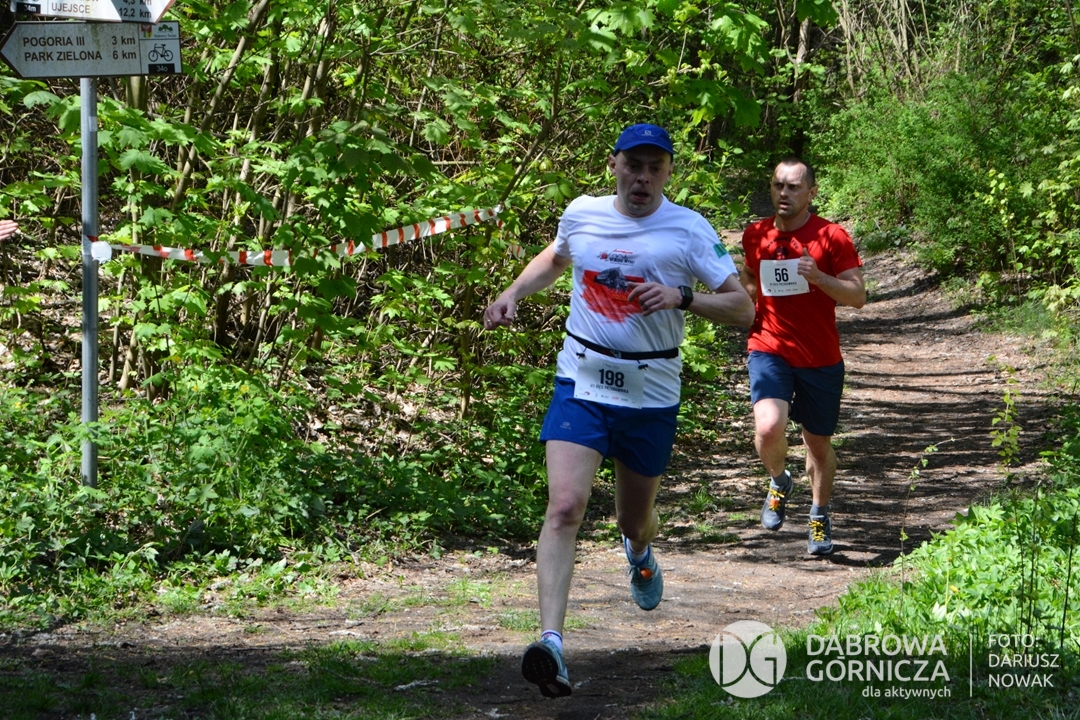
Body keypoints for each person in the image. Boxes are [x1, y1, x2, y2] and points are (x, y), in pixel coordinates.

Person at [483, 123, 754, 698]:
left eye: (655, 167)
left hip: (650, 392)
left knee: (633, 519)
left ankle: (639, 548)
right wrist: (513, 292)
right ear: (615, 164)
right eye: (634, 165)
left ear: (669, 172)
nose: (643, 177)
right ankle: (551, 644)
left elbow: (743, 308)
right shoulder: (582, 213)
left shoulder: (688, 229)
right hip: (581, 380)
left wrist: (684, 297)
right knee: (565, 506)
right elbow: (557, 257)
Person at [739, 157, 865, 556]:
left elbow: (858, 296)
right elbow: (750, 279)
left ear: (811, 193)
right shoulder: (755, 234)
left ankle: (819, 512)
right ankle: (779, 480)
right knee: (768, 427)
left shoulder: (832, 236)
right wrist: (743, 290)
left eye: (794, 187)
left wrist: (819, 277)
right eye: (778, 185)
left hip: (819, 356)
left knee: (818, 446)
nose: (784, 193)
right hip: (768, 346)